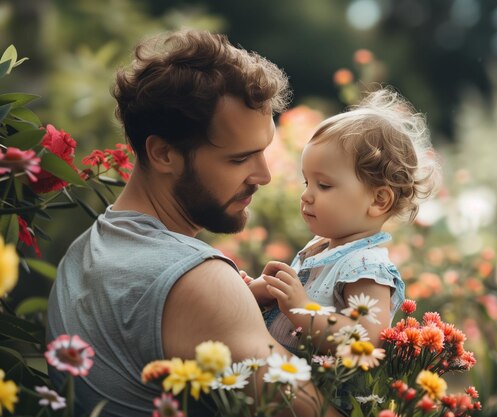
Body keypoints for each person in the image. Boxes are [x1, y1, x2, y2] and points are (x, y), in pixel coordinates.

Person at [46, 29, 340, 417]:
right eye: (239, 159)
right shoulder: (196, 281)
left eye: (263, 152)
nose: (264, 175)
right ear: (164, 153)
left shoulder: (81, 254)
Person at [247, 88, 439, 353]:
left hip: (315, 390)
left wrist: (301, 309)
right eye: (307, 182)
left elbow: (365, 337)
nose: (306, 195)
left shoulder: (366, 266)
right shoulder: (322, 248)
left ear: (379, 200)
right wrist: (264, 290)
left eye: (323, 185)